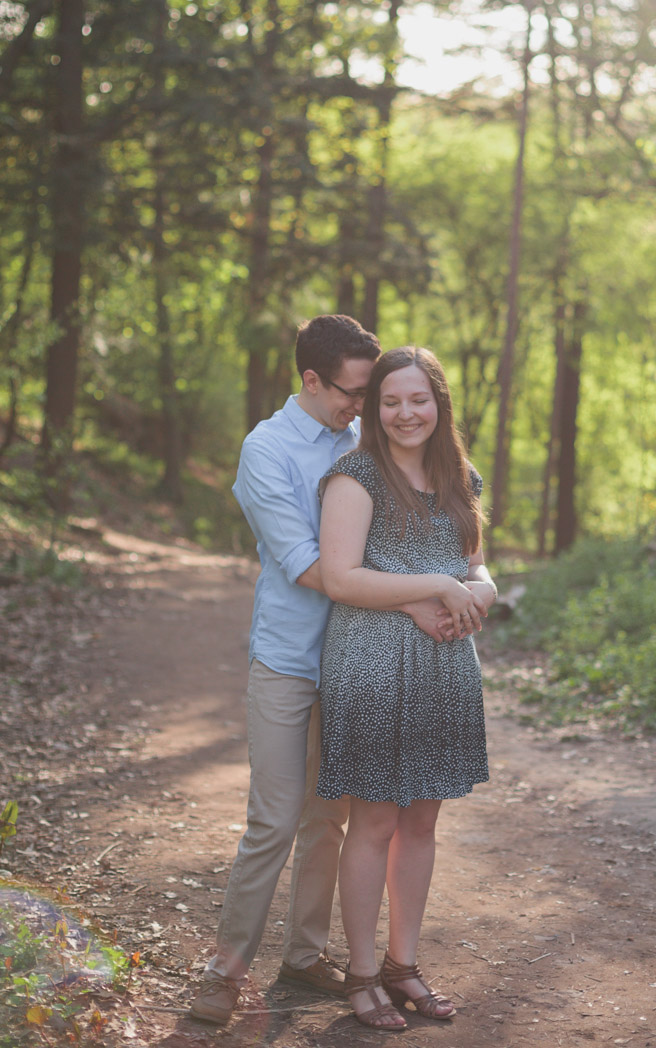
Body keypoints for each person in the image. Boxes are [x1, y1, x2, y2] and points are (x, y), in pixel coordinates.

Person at [190, 316, 450, 1026]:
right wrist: (419, 603)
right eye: (355, 391)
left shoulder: (364, 441)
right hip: (288, 659)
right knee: (273, 818)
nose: (365, 405)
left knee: (329, 820)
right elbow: (312, 567)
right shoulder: (265, 451)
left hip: (354, 664)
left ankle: (305, 958)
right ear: (312, 380)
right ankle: (224, 972)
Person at [316, 346, 497, 1031]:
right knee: (375, 821)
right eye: (389, 401)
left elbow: (477, 564)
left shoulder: (460, 477)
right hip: (371, 662)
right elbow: (341, 577)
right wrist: (436, 587)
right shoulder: (356, 475)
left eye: (416, 399)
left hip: (446, 667)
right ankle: (361, 973)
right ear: (373, 409)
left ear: (438, 402)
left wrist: (480, 590)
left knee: (422, 820)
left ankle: (403, 964)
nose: (404, 413)